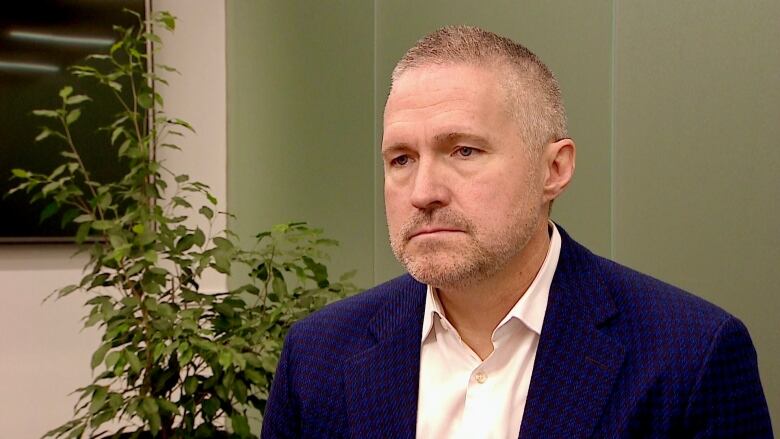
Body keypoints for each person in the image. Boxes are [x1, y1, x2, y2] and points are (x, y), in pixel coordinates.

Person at [261, 26, 772, 438]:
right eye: (401, 159)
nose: (423, 191)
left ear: (554, 169)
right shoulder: (318, 355)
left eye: (464, 151)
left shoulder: (690, 356)